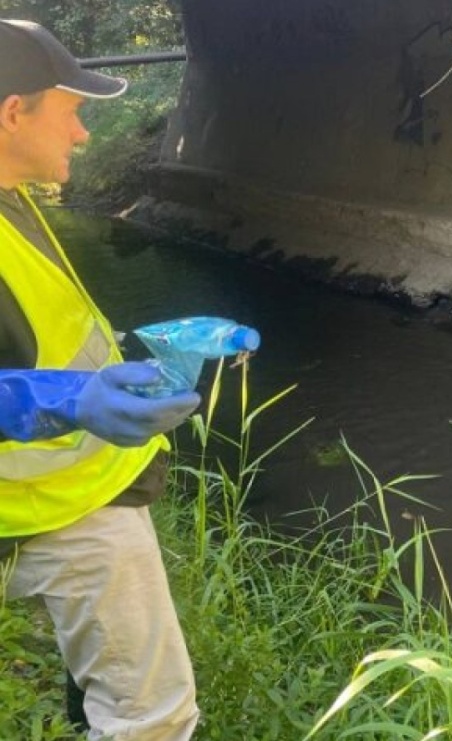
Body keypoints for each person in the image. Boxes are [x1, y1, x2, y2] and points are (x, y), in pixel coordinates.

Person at [0, 19, 201, 740]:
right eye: (73, 110)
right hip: (54, 508)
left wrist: (125, 358)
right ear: (12, 112)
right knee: (151, 718)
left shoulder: (13, 194)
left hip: (67, 492)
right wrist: (74, 399)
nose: (85, 134)